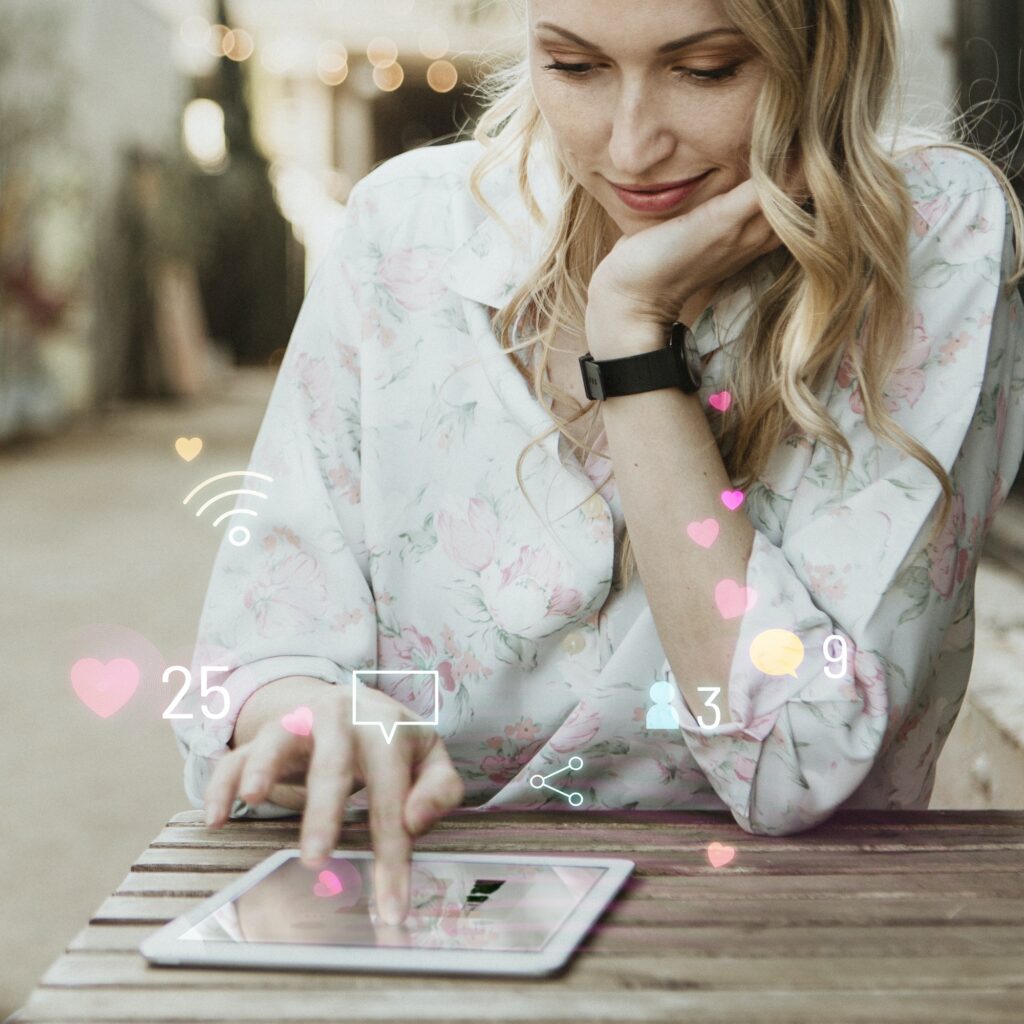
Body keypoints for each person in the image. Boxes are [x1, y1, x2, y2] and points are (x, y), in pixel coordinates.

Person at [173, 0, 1024, 927]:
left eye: (705, 71)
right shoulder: (403, 228)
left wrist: (632, 337)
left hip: (780, 935)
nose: (630, 146)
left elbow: (798, 761)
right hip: (410, 921)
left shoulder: (928, 237)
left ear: (824, 50)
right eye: (575, 69)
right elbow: (250, 656)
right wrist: (305, 712)